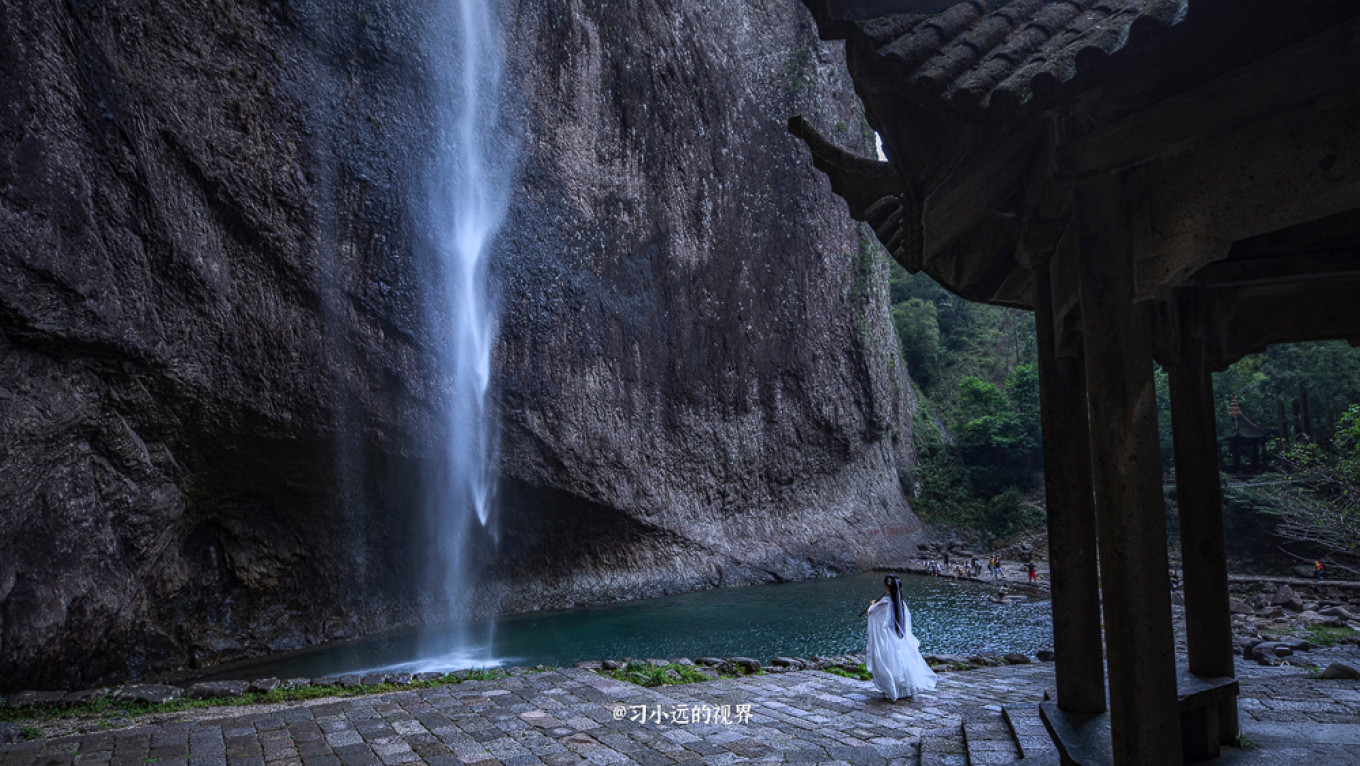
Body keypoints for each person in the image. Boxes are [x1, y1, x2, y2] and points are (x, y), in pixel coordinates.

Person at [861, 575, 937, 701]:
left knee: (889, 664)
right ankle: (905, 690)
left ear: (887, 587)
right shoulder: (901, 603)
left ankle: (893, 690)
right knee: (900, 663)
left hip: (888, 638)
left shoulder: (885, 603)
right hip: (898, 637)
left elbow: (871, 614)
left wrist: (871, 605)